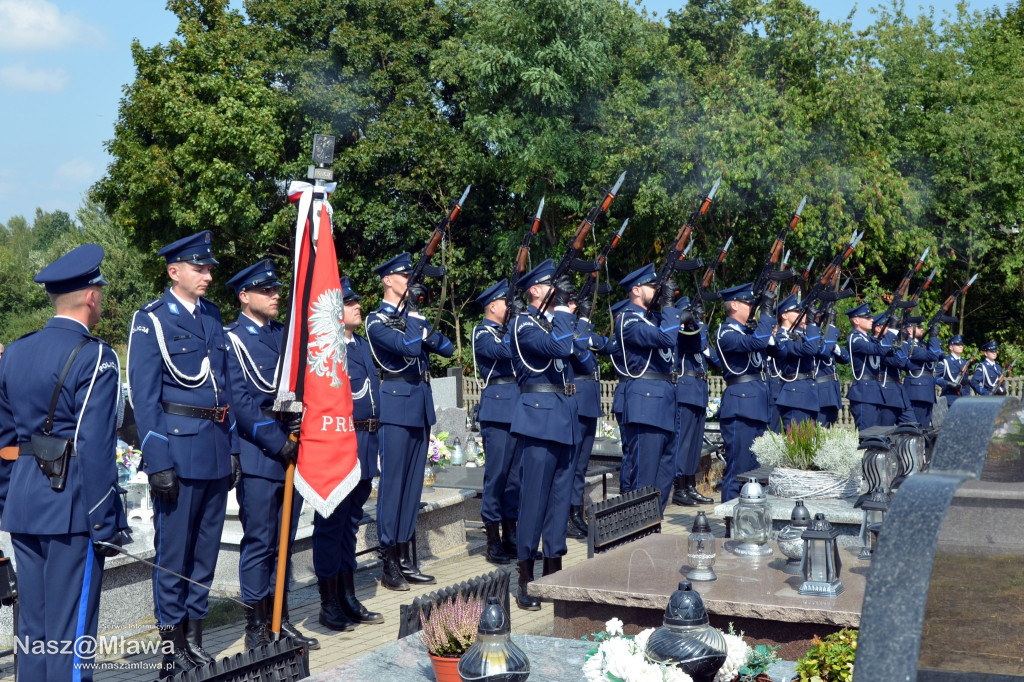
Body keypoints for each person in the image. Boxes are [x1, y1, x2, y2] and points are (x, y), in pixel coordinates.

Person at [0, 244, 128, 681]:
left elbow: (5, 442)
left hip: (24, 506)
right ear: (91, 296)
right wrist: (105, 523)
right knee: (71, 633)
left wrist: (8, 501)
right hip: (74, 510)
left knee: (34, 632)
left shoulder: (14, 353)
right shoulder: (96, 356)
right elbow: (94, 446)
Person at [127, 230, 240, 675]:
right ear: (175, 271)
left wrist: (231, 447)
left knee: (205, 552)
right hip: (177, 449)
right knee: (173, 555)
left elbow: (225, 388)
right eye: (200, 267)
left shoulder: (212, 317)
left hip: (213, 448)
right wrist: (159, 461)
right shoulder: (152, 319)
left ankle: (195, 638)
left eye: (209, 267)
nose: (208, 275)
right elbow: (144, 396)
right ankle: (171, 649)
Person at [223, 259, 317, 650]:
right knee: (260, 541)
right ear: (245, 297)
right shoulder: (232, 339)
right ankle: (257, 626)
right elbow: (242, 404)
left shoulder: (285, 335)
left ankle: (282, 618)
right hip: (262, 453)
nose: (276, 295)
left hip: (293, 446)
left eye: (277, 289)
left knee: (285, 541)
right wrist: (280, 443)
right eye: (266, 290)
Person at [365, 253, 454, 591]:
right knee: (393, 487)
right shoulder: (376, 321)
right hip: (396, 408)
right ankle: (388, 561)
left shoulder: (410, 320)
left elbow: (444, 348)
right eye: (404, 277)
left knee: (412, 488)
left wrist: (417, 320)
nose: (411, 283)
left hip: (418, 408)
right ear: (388, 280)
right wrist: (415, 318)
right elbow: (409, 348)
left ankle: (404, 557)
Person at [311, 276, 384, 629]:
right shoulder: (328, 347)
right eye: (350, 302)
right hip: (341, 446)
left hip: (366, 446)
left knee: (350, 525)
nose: (358, 306)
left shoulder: (361, 346)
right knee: (331, 525)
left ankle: (347, 595)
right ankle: (328, 603)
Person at [508, 259, 578, 610]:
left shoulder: (551, 322)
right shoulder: (523, 324)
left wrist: (564, 311)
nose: (558, 290)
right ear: (534, 289)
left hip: (562, 418)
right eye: (551, 284)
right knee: (533, 502)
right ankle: (526, 578)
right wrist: (564, 308)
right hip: (539, 419)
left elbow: (578, 352)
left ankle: (555, 574)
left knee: (558, 503)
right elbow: (561, 349)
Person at [612, 265, 683, 510]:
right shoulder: (628, 320)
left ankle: (655, 528)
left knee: (664, 477)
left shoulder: (655, 319)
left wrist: (686, 315)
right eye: (652, 287)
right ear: (635, 290)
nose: (658, 290)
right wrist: (670, 306)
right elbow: (665, 339)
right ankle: (639, 534)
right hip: (646, 402)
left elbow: (690, 344)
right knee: (645, 479)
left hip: (665, 403)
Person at [471, 280, 521, 563]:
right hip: (498, 410)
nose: (510, 309)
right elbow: (503, 352)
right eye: (506, 303)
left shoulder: (507, 331)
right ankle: (492, 540)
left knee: (515, 478)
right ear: (492, 305)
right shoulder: (482, 332)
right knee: (497, 476)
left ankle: (511, 535)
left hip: (516, 409)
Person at [714, 282, 775, 503]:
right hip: (740, 407)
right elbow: (755, 343)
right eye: (748, 303)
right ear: (734, 305)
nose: (752, 307)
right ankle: (730, 520)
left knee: (754, 470)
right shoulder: (725, 332)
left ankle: (749, 517)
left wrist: (767, 319)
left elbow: (777, 348)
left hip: (757, 404)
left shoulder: (750, 330)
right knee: (738, 469)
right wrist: (766, 314)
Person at [566, 294, 605, 538]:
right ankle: (567, 516)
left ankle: (576, 514)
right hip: (577, 400)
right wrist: (582, 322)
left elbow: (603, 343)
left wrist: (585, 324)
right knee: (571, 465)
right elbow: (580, 351)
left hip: (589, 402)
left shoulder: (581, 328)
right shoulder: (564, 328)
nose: (576, 305)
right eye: (571, 302)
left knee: (580, 466)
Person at [671, 295, 714, 507]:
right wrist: (691, 324)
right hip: (686, 390)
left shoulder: (697, 333)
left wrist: (698, 324)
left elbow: (712, 356)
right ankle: (680, 487)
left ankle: (689, 485)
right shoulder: (680, 333)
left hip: (698, 391)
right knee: (684, 442)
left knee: (694, 445)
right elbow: (691, 344)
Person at [772, 294, 827, 430]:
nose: (801, 313)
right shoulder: (781, 337)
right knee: (796, 445)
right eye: (796, 311)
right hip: (795, 397)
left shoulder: (801, 335)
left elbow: (824, 351)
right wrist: (811, 324)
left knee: (809, 447)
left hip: (809, 394)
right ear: (784, 315)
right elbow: (811, 348)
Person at [845, 304, 898, 431]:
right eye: (867, 318)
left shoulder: (870, 339)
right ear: (856, 320)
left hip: (875, 390)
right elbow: (878, 349)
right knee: (867, 434)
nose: (872, 320)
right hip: (864, 391)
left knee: (878, 435)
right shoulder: (854, 338)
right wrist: (893, 330)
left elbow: (888, 352)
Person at [900, 321, 943, 427]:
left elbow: (941, 354)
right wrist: (933, 337)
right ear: (910, 330)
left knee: (924, 429)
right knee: (915, 428)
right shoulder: (908, 344)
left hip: (926, 391)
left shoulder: (922, 345)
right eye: (919, 327)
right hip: (917, 391)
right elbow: (933, 356)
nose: (922, 329)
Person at [936, 335, 971, 405]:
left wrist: (968, 396)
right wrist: (948, 384)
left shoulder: (964, 363)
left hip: (963, 398)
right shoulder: (945, 362)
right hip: (950, 397)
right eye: (958, 344)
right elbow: (936, 377)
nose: (961, 346)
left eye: (961, 344)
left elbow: (966, 383)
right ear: (951, 347)